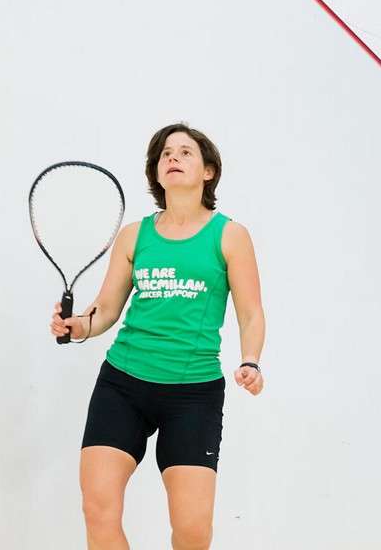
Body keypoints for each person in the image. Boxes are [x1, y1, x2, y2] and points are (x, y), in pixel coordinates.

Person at [49, 123, 266, 549]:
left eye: (186, 152)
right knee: (98, 509)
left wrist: (251, 360)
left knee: (192, 531)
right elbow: (105, 309)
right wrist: (78, 327)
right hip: (123, 385)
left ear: (208, 171)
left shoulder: (230, 236)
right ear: (156, 170)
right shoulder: (135, 235)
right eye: (166, 153)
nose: (173, 158)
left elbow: (251, 312)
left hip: (193, 394)